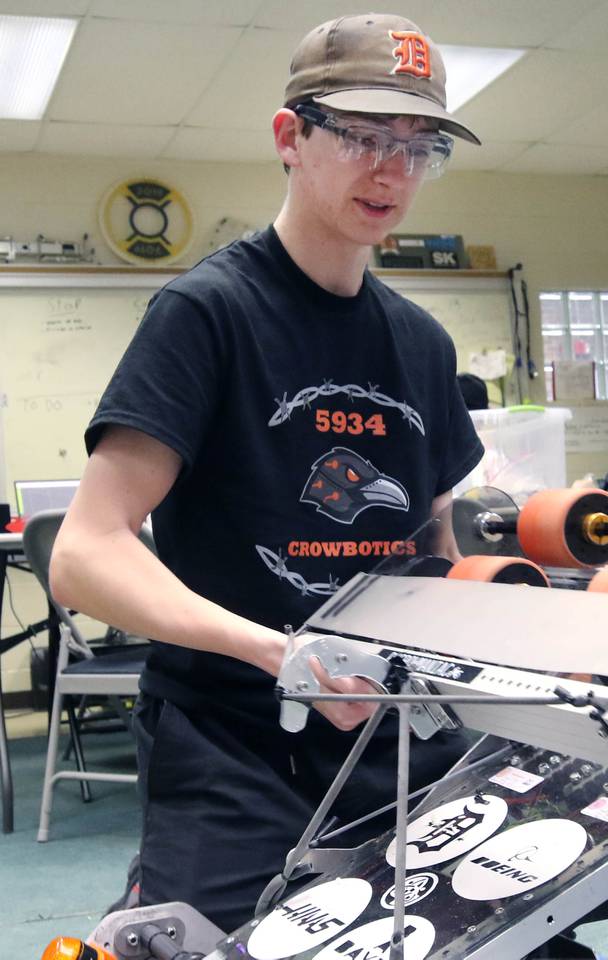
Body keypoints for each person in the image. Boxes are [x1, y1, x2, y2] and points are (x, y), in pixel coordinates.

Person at [50, 12, 484, 933]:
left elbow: (436, 541)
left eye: (418, 148)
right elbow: (85, 554)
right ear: (291, 137)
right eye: (365, 137)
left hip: (394, 733)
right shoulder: (207, 313)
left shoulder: (422, 343)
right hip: (234, 735)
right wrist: (277, 653)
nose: (392, 171)